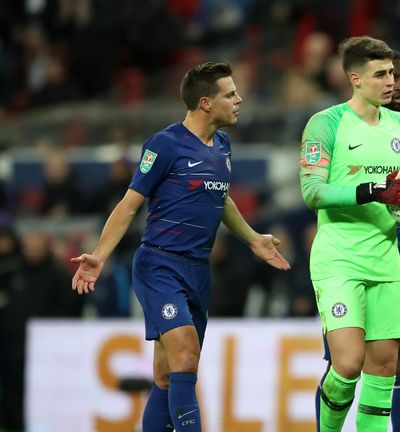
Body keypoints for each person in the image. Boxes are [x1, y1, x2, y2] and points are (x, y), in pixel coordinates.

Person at [70, 62, 290, 432]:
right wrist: (100, 256)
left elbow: (220, 197)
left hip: (197, 270)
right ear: (205, 103)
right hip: (160, 265)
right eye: (230, 94)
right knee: (186, 358)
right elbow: (129, 205)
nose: (239, 100)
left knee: (166, 376)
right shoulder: (164, 145)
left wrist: (253, 239)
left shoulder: (222, 145)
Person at [299, 36, 400, 432]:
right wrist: (372, 191)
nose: (391, 81)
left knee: (384, 370)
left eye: (392, 72)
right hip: (339, 259)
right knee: (348, 364)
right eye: (380, 74)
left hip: (386, 258)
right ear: (355, 79)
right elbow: (312, 191)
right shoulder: (326, 123)